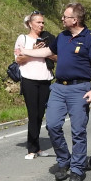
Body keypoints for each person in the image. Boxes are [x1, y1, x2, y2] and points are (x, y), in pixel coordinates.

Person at [16, 2, 91, 181]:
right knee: (53, 125)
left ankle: (77, 169)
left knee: (78, 131)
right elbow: (47, 51)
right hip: (58, 88)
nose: (62, 19)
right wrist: (25, 50)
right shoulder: (62, 37)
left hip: (80, 88)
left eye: (65, 16)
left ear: (75, 19)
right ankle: (64, 161)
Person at [13, 11, 56, 159]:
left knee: (40, 115)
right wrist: (35, 51)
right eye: (38, 22)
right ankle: (31, 149)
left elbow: (56, 57)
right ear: (30, 24)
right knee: (33, 114)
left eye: (43, 22)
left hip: (45, 79)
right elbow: (19, 59)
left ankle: (37, 148)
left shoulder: (47, 39)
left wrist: (45, 52)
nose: (41, 25)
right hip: (29, 79)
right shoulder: (23, 38)